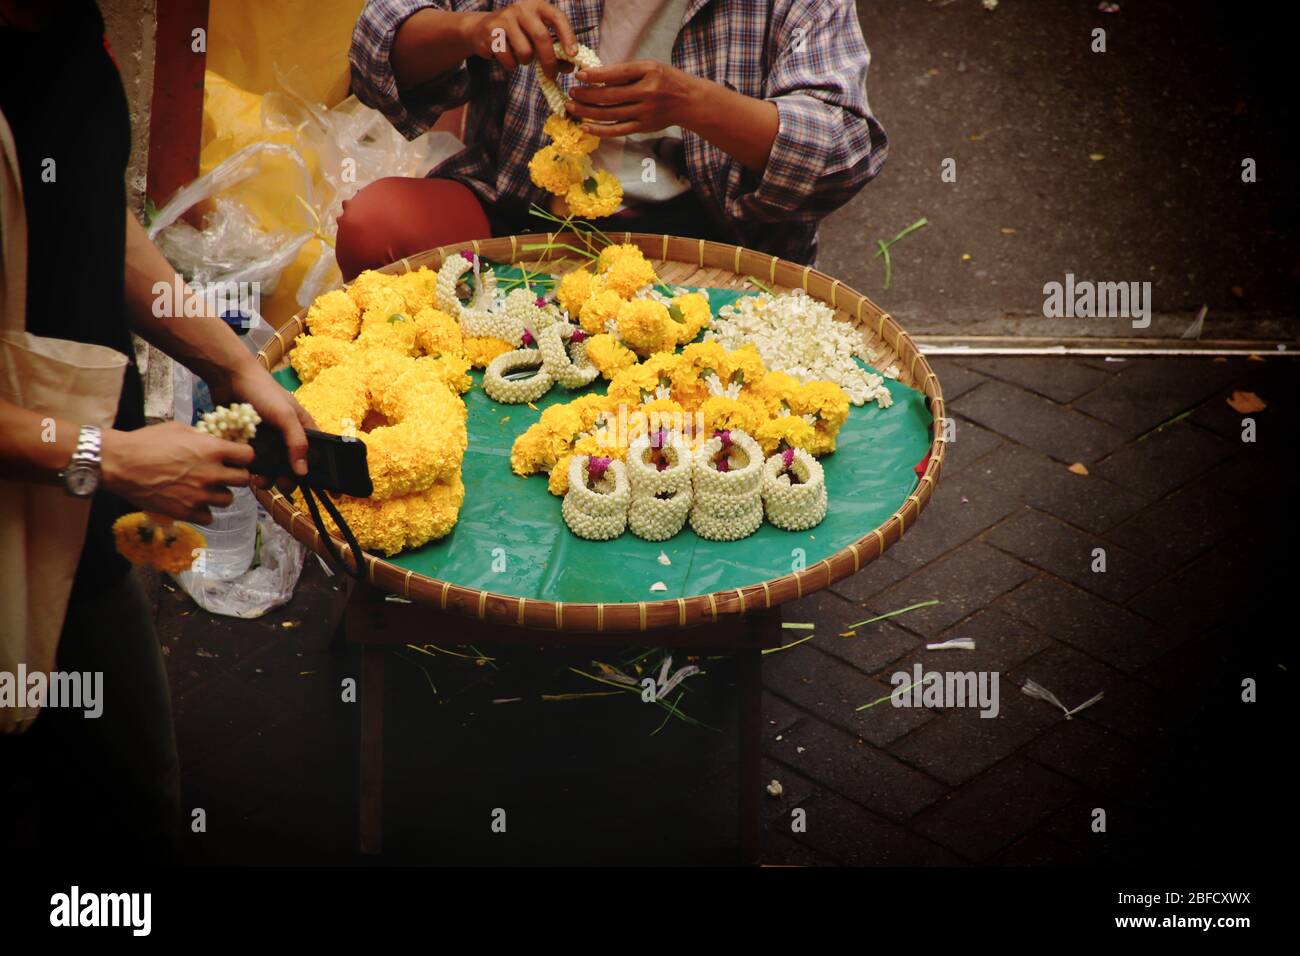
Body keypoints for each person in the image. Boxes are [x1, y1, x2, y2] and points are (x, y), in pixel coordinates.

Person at [0, 0, 314, 860]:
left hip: (77, 507)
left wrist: (232, 363)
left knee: (124, 791)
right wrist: (107, 457)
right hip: (42, 494)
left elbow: (95, 220)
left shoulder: (63, 23)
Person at [340, 0, 887, 277]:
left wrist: (692, 104)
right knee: (377, 227)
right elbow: (375, 45)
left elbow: (842, 151)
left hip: (714, 237)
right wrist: (475, 29)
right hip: (521, 206)